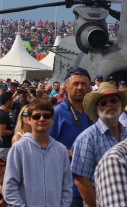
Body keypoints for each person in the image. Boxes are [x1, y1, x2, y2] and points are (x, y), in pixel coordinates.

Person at [71, 82, 127, 207]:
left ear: (120, 104)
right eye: (103, 103)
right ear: (97, 110)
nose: (109, 104)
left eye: (113, 100)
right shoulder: (87, 138)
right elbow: (81, 182)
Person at [3, 97, 72, 206]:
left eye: (46, 116)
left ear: (53, 119)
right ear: (29, 119)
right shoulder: (19, 148)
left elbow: (67, 186)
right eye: (36, 116)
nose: (41, 119)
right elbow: (9, 186)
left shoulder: (61, 150)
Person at [49, 67, 92, 207]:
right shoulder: (56, 114)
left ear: (89, 87)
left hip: (94, 187)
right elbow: (44, 148)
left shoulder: (93, 113)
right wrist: (66, 151)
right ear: (66, 87)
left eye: (83, 84)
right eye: (75, 84)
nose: (80, 87)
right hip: (69, 190)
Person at [0, 92, 15, 159]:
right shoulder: (2, 114)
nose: (13, 102)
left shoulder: (5, 113)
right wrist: (14, 131)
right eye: (12, 100)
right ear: (8, 101)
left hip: (6, 146)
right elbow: (1, 132)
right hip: (3, 147)